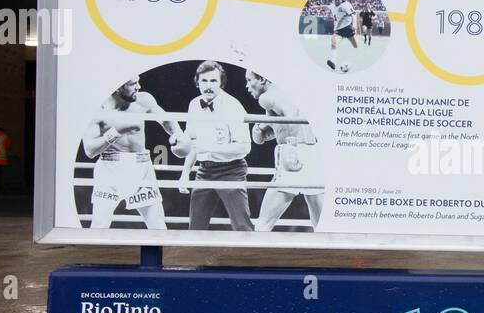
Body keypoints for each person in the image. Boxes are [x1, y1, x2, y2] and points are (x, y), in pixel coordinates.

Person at [82, 78, 183, 229]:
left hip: (142, 168)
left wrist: (178, 134)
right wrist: (116, 132)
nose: (139, 86)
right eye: (132, 84)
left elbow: (166, 120)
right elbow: (89, 150)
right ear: (117, 87)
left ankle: (158, 253)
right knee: (99, 224)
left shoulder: (144, 100)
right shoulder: (99, 109)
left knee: (157, 224)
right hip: (110, 169)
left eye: (138, 81)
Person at [176, 60, 254, 232]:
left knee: (242, 225)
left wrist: (210, 148)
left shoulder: (233, 107)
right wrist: (185, 173)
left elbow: (244, 148)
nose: (208, 86)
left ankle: (250, 258)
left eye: (213, 81)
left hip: (231, 171)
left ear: (221, 83)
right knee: (195, 227)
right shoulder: (194, 105)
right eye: (204, 81)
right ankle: (193, 259)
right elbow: (193, 144)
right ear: (197, 82)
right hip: (204, 171)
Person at [246, 71, 323, 232]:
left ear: (262, 79)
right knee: (321, 224)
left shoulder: (266, 97)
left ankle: (252, 256)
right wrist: (263, 127)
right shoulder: (288, 93)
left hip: (293, 151)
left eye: (249, 80)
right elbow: (283, 124)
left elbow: (291, 115)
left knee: (263, 223)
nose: (247, 86)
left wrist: (291, 145)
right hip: (312, 153)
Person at [327, 0, 358, 72]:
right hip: (338, 30)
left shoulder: (346, 5)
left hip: (348, 28)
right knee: (333, 42)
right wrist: (315, 7)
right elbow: (326, 6)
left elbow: (353, 15)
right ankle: (333, 61)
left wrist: (355, 25)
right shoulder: (332, 5)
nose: (337, 1)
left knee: (356, 46)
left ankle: (349, 62)